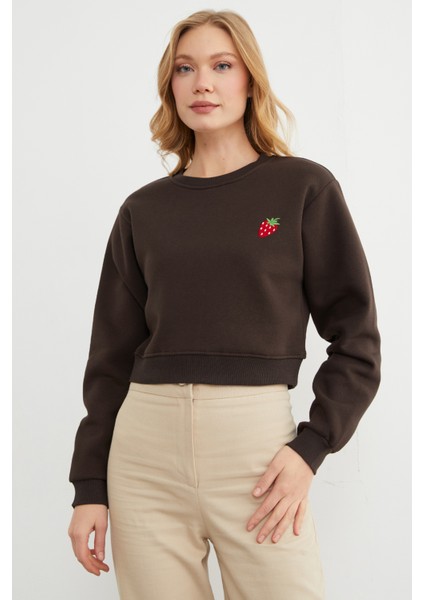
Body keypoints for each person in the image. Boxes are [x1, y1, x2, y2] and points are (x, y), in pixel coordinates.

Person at [67, 9, 381, 600]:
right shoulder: (143, 210)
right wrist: (89, 485)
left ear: (250, 81)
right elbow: (109, 358)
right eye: (185, 69)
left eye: (222, 65)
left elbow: (357, 338)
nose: (202, 83)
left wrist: (312, 447)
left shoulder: (303, 189)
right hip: (144, 455)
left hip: (257, 452)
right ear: (170, 86)